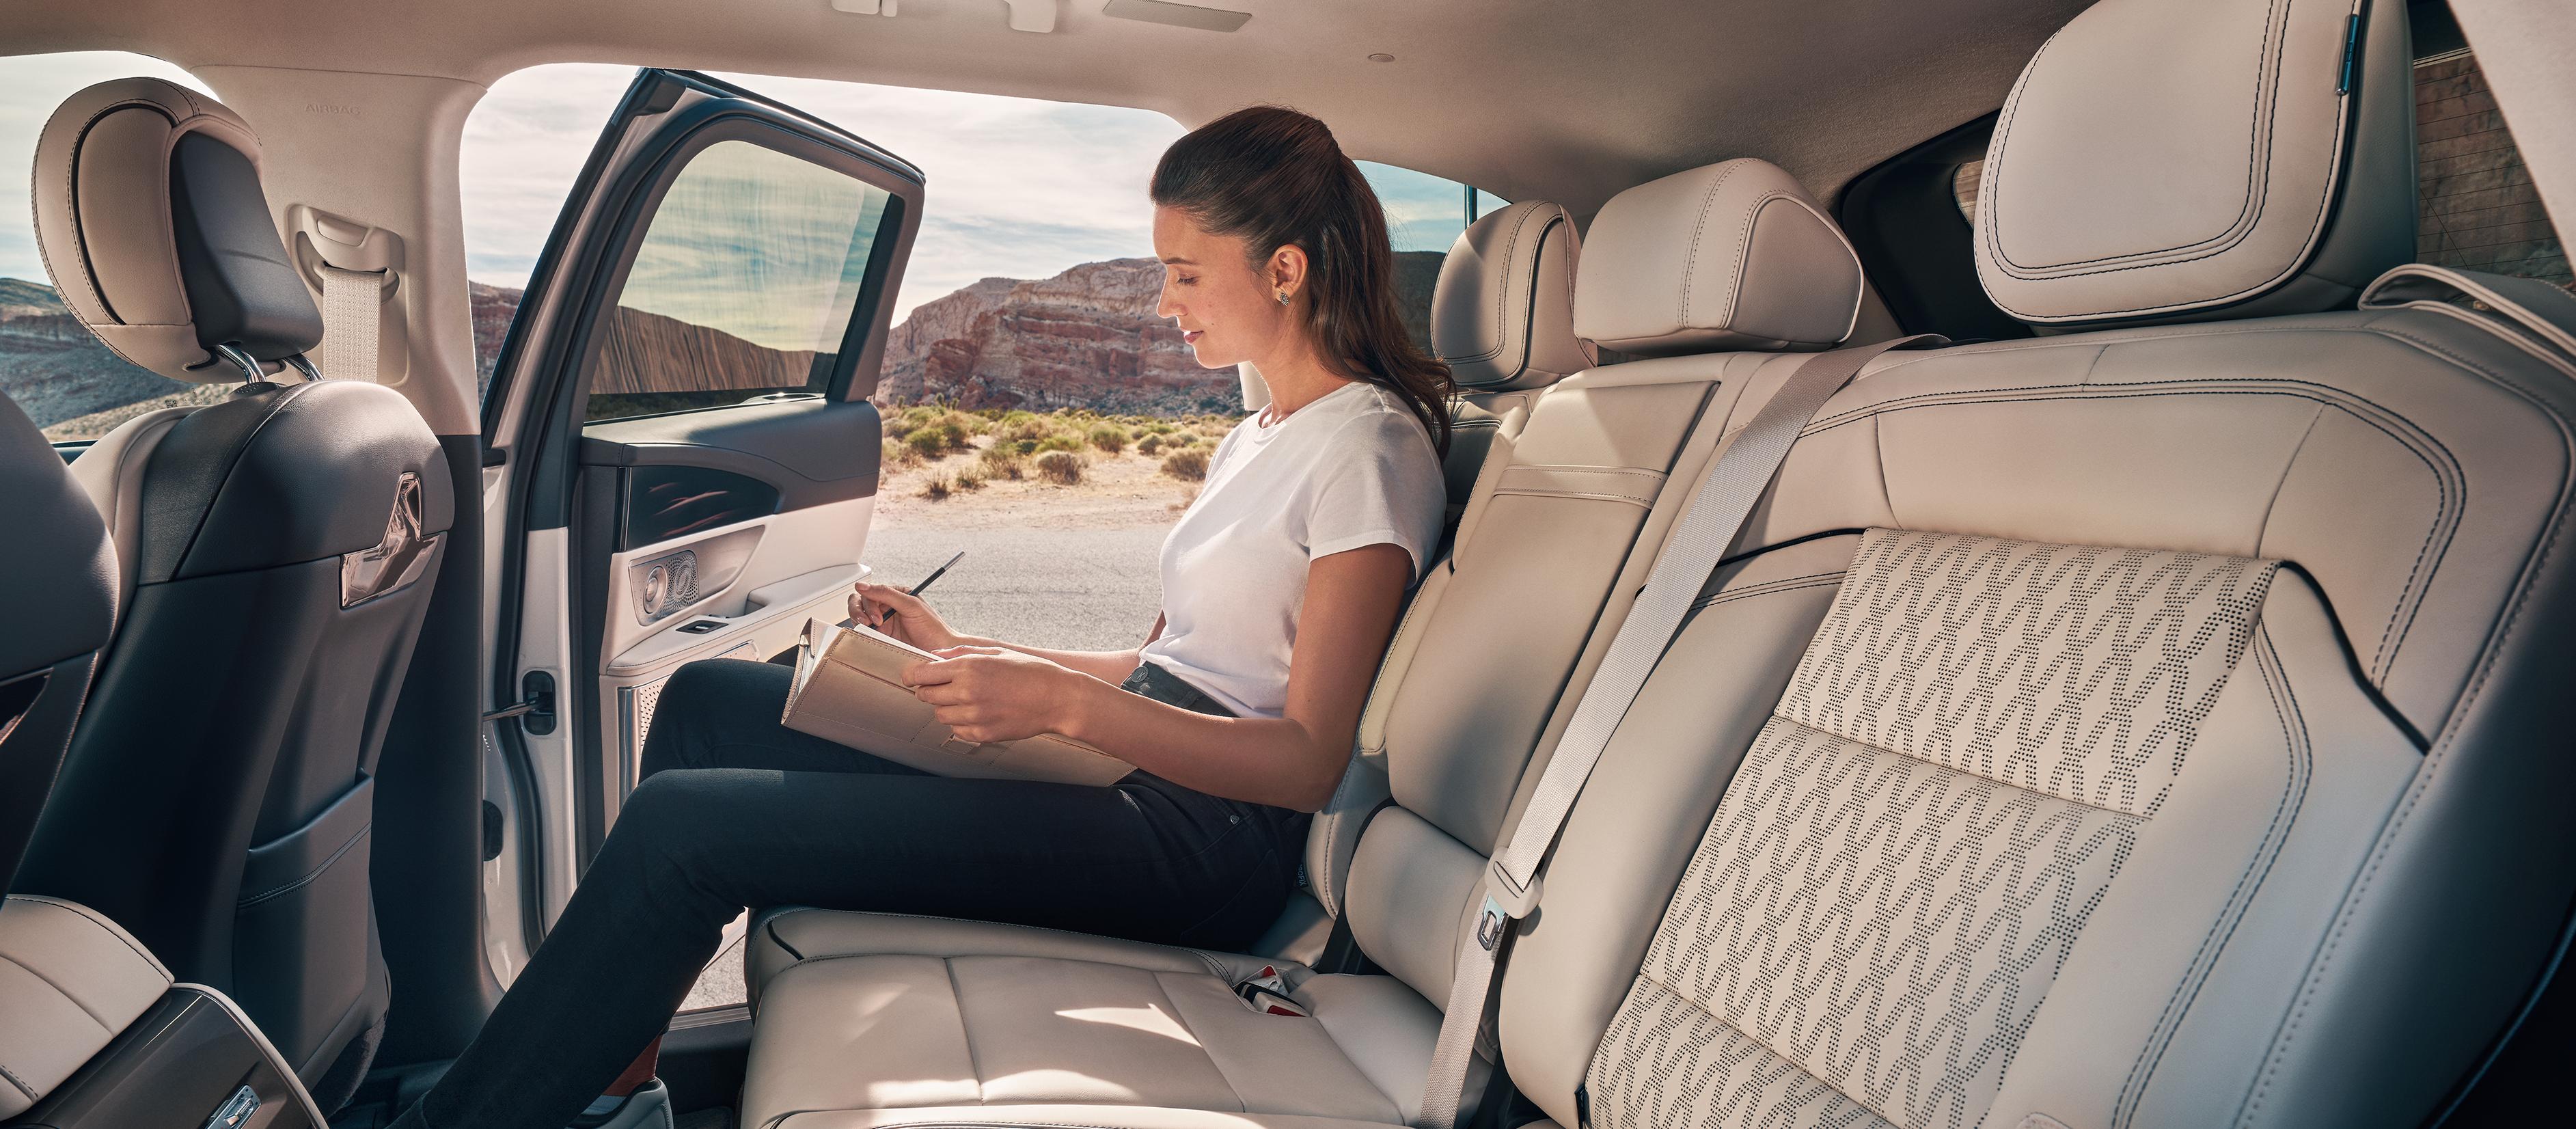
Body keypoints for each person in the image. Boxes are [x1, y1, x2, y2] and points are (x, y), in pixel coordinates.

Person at [388, 104, 1452, 1129]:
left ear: (1284, 268)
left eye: (1184, 272)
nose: (1164, 302)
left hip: (1202, 842)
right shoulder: (1263, 432)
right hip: (1138, 774)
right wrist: (973, 653)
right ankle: (614, 1092)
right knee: (712, 699)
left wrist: (1060, 710)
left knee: (688, 830)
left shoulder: (1367, 448)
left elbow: (1305, 759)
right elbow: (1176, 662)